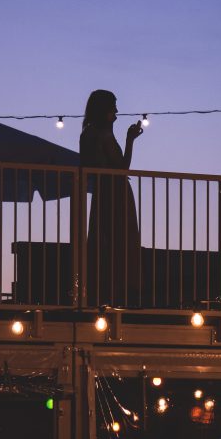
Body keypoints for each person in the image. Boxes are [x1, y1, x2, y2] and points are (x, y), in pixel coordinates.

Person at [80, 89, 144, 307]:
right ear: (104, 109)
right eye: (113, 106)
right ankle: (121, 292)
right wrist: (130, 140)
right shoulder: (104, 135)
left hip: (103, 191)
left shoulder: (87, 133)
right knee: (121, 243)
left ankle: (102, 290)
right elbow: (122, 168)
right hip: (117, 193)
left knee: (103, 241)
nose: (117, 110)